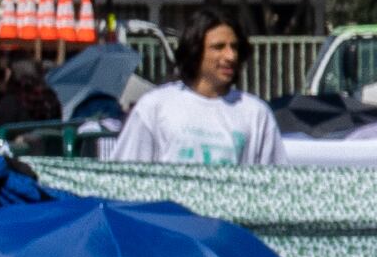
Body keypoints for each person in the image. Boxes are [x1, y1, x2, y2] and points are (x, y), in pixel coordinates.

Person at [107, 17, 284, 165]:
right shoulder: (155, 107)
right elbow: (127, 174)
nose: (230, 56)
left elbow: (275, 182)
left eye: (235, 47)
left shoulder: (256, 114)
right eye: (219, 47)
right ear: (195, 51)